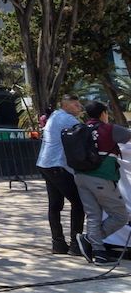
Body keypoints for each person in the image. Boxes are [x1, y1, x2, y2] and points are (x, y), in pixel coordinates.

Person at [73, 101, 131, 264]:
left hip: (80, 177)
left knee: (93, 216)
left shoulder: (80, 129)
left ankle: (99, 253)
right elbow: (129, 137)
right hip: (100, 177)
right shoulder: (109, 129)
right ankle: (90, 240)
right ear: (103, 113)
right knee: (121, 216)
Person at [36, 94, 85, 255]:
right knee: (78, 203)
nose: (80, 108)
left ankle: (58, 243)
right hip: (58, 165)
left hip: (45, 163)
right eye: (76, 105)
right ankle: (76, 244)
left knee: (55, 205)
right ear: (66, 105)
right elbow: (85, 137)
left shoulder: (55, 115)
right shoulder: (69, 120)